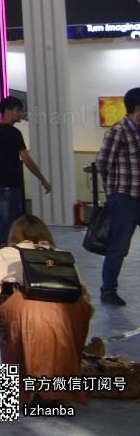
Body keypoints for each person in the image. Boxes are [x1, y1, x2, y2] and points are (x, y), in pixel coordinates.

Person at [0, 215, 93, 404]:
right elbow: (85, 296)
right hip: (70, 316)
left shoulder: (7, 254)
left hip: (27, 315)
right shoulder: (62, 255)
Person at [0, 96, 51, 259]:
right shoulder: (14, 133)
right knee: (7, 221)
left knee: (14, 220)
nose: (20, 114)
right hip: (10, 183)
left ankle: (12, 252)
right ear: (8, 111)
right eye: (18, 111)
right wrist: (43, 180)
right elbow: (27, 159)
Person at [95, 85, 140, 306]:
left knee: (119, 246)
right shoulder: (117, 131)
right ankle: (108, 290)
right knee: (119, 247)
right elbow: (102, 163)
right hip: (124, 198)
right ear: (137, 109)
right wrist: (113, 191)